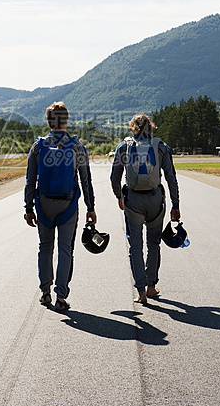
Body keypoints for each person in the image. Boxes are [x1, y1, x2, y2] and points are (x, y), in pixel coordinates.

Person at [25, 102, 96, 311]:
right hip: (68, 205)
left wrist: (28, 208)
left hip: (44, 205)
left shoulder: (38, 146)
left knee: (45, 247)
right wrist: (90, 207)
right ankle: (61, 297)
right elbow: (86, 180)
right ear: (66, 120)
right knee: (65, 250)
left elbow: (30, 181)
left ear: (49, 121)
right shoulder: (76, 146)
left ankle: (45, 293)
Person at [110, 113, 180, 304]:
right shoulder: (161, 147)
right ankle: (151, 286)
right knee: (153, 244)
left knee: (135, 246)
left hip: (133, 200)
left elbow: (114, 177)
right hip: (155, 200)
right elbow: (171, 177)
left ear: (133, 127)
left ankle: (140, 291)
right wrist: (175, 204)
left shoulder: (124, 147)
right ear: (151, 127)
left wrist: (119, 196)